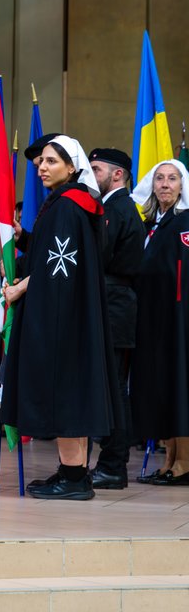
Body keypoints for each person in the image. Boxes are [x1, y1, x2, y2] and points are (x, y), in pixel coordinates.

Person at [1, 134, 114, 501]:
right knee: (73, 390)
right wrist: (23, 238)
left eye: (51, 161)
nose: (42, 168)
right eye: (40, 163)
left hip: (62, 317)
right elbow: (53, 251)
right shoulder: (74, 202)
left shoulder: (66, 206)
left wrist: (20, 289)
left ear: (71, 166)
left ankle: (74, 478)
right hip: (74, 312)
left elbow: (58, 267)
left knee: (64, 390)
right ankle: (72, 472)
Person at [128, 159, 189, 486]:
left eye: (173, 178)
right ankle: (169, 461)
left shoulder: (185, 222)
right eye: (160, 178)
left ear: (182, 185)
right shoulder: (152, 224)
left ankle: (185, 463)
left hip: (178, 319)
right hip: (155, 320)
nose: (165, 184)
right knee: (163, 387)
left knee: (179, 387)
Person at [86, 148, 145, 489]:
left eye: (96, 169)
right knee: (110, 387)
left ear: (117, 174)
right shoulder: (113, 207)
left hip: (114, 304)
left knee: (114, 389)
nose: (90, 174)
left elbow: (98, 256)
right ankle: (110, 462)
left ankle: (113, 465)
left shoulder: (117, 208)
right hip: (112, 301)